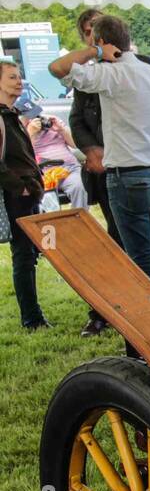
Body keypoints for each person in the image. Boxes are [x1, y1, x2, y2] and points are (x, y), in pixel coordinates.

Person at [49, 14, 150, 300]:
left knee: (142, 259)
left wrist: (94, 53)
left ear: (102, 42)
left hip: (128, 176)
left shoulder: (112, 74)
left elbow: (57, 68)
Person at [1, 59, 50, 330]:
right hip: (17, 194)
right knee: (23, 254)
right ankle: (31, 318)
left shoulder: (13, 114)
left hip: (29, 190)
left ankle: (33, 314)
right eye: (11, 78)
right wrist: (18, 185)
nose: (18, 82)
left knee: (30, 253)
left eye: (18, 77)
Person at [27, 114, 88, 211]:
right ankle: (52, 225)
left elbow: (75, 144)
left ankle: (79, 221)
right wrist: (31, 133)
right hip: (43, 173)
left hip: (69, 169)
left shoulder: (51, 120)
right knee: (47, 200)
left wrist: (61, 129)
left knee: (80, 187)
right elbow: (25, 153)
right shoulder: (21, 127)